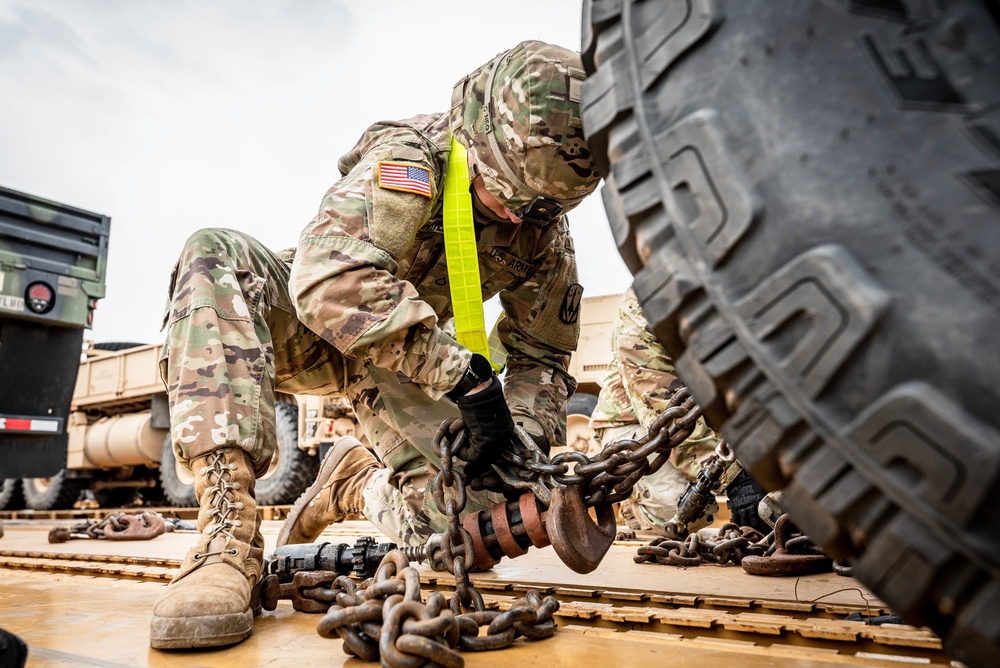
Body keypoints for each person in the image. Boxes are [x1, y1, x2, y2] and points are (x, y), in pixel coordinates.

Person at [150, 40, 600, 650]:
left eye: (540, 208)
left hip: (399, 364)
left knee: (466, 526)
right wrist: (463, 378)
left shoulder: (542, 223)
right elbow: (331, 281)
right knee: (214, 252)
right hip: (310, 332)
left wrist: (518, 440)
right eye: (510, 198)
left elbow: (541, 355)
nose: (521, 219)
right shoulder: (412, 160)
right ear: (477, 142)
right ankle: (225, 543)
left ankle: (354, 484)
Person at [589, 287, 769, 535]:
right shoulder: (644, 302)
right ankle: (637, 506)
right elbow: (662, 407)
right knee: (686, 511)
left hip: (712, 422)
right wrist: (736, 480)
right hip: (640, 426)